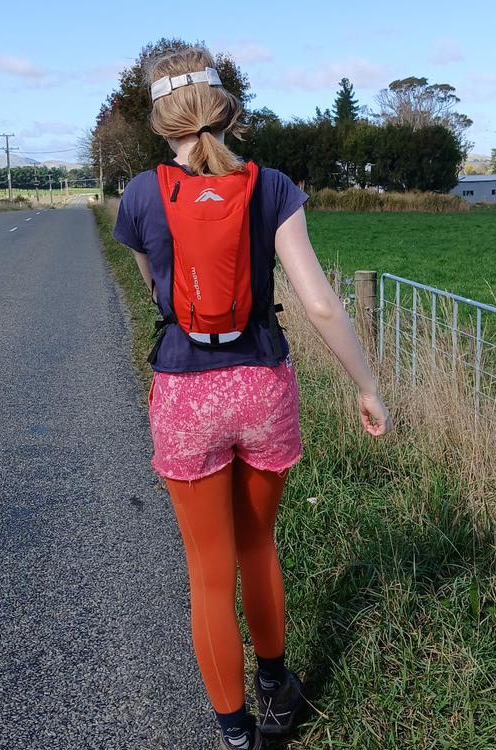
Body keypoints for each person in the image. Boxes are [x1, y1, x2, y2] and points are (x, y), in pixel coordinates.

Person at [112, 45, 391, 750]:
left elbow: (156, 291)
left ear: (160, 121)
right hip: (263, 387)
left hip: (186, 396)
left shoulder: (140, 195)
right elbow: (320, 304)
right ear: (227, 110)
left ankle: (236, 735)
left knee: (209, 574)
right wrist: (367, 386)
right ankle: (275, 690)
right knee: (258, 543)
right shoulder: (272, 188)